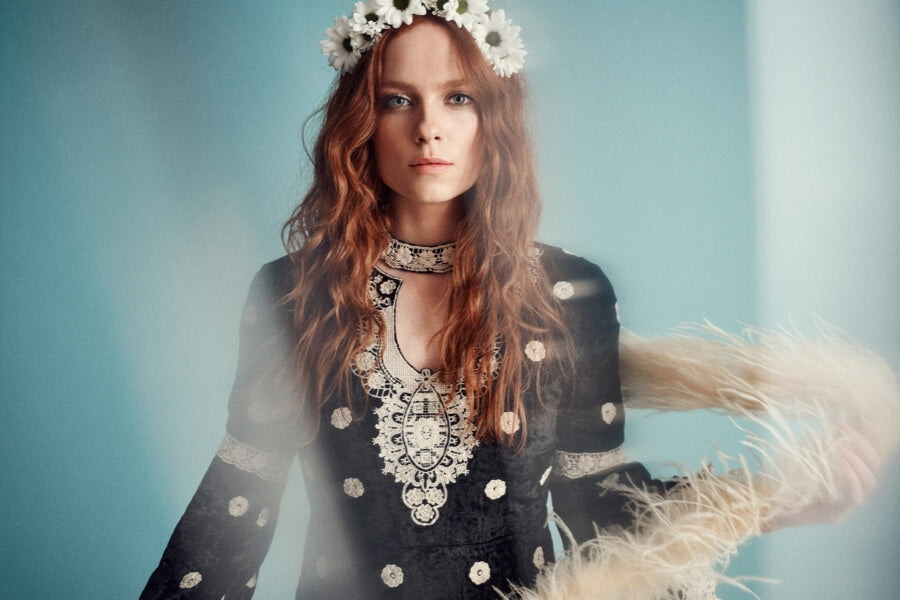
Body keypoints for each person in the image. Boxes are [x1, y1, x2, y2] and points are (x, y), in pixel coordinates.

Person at [141, 3, 886, 599]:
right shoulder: (293, 292)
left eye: (457, 97)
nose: (429, 126)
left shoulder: (569, 293)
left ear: (491, 118)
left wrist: (774, 502)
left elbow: (600, 503)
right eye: (398, 99)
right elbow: (239, 502)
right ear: (361, 122)